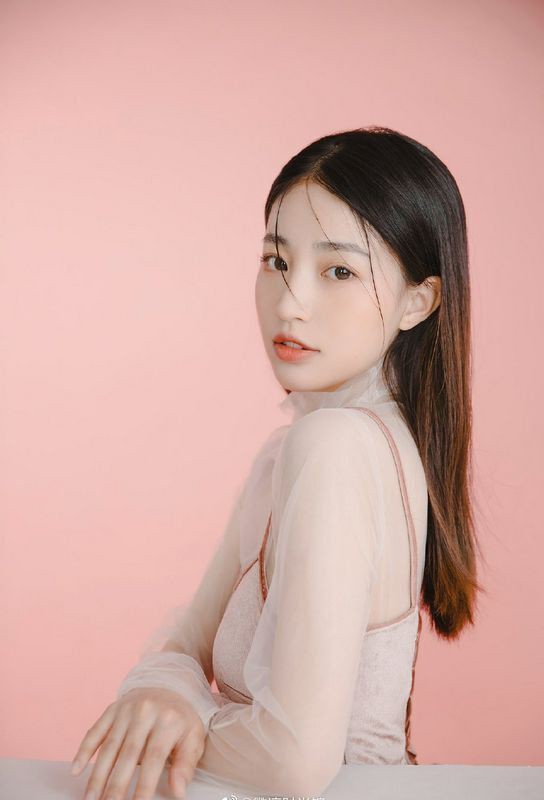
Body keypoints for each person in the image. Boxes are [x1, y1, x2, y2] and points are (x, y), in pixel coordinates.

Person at [70, 126, 485, 800]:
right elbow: (184, 644)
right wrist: (165, 691)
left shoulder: (336, 448)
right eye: (276, 260)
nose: (290, 302)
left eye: (339, 271)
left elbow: (293, 760)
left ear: (419, 301)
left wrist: (180, 718)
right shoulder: (298, 446)